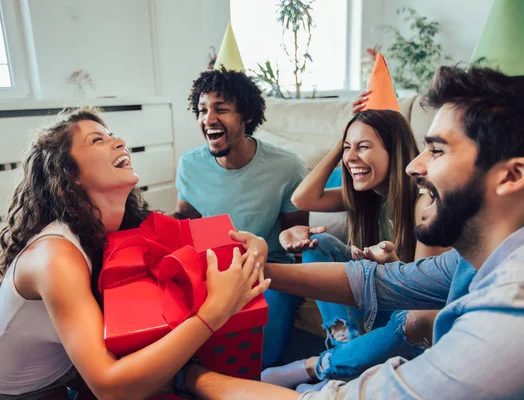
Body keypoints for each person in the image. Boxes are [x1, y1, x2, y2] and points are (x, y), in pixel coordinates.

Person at [178, 65, 524, 399]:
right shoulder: (468, 262)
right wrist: (251, 268)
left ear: (512, 176)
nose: (415, 166)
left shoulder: (506, 320)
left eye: (436, 150)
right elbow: (373, 281)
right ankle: (344, 344)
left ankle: (326, 362)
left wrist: (190, 375)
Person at [0, 107, 270, 399]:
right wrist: (212, 315)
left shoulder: (120, 223)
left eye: (112, 135)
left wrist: (253, 245)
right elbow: (110, 389)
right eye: (97, 140)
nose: (120, 141)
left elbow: (191, 245)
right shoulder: (56, 255)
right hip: (12, 394)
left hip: (66, 374)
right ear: (68, 175)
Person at [268, 88, 449, 387]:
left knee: (407, 325)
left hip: (411, 316)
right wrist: (342, 146)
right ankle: (347, 347)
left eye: (363, 147)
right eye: (347, 148)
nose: (351, 157)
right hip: (372, 301)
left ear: (395, 150)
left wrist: (391, 264)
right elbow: (303, 198)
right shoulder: (367, 196)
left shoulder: (422, 205)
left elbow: (427, 298)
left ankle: (322, 365)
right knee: (320, 244)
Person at [174, 67, 310, 367]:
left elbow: (297, 234)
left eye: (220, 109)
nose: (208, 119)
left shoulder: (287, 166)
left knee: (259, 360)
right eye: (202, 110)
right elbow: (186, 219)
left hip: (270, 274)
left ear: (246, 115)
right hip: (213, 271)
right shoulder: (189, 165)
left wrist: (297, 279)